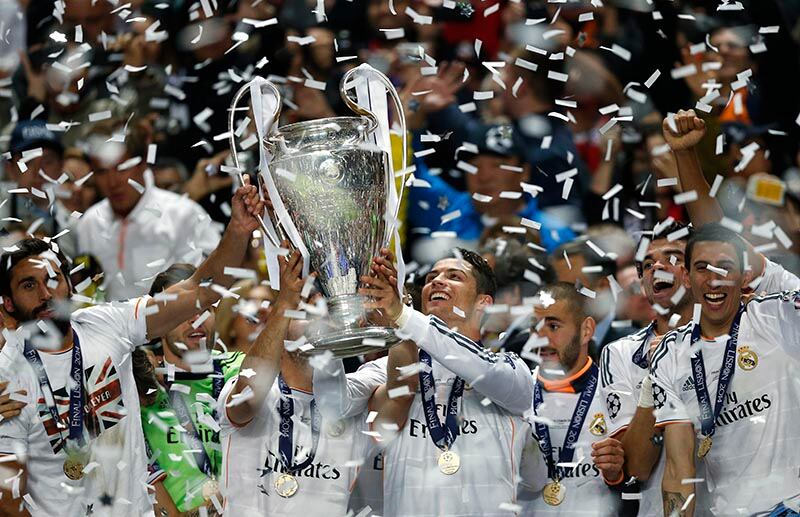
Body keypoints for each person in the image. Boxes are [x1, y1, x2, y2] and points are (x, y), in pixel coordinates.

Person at [0, 178, 263, 516]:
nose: (46, 294)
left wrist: (238, 230)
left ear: (69, 285)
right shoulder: (7, 378)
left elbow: (199, 290)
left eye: (54, 279)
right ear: (8, 302)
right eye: (28, 285)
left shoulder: (109, 323)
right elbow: (7, 498)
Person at [318, 247, 534, 516]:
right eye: (432, 277)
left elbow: (480, 368)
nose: (437, 281)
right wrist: (328, 336)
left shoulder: (512, 371)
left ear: (484, 302)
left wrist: (403, 315)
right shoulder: (385, 369)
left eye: (454, 276)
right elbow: (334, 404)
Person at [216, 245, 410, 515]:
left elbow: (403, 389)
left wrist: (400, 314)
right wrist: (285, 303)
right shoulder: (249, 391)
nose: (316, 312)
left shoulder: (356, 403)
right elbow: (249, 389)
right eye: (304, 306)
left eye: (325, 307)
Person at [651, 223, 800, 515]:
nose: (714, 280)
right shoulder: (670, 356)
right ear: (686, 276)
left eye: (725, 268)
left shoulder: (777, 317)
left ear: (745, 276)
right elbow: (678, 469)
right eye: (702, 268)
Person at [137, 264, 245, 514]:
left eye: (204, 308)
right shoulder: (141, 390)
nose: (196, 320)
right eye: (181, 311)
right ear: (157, 323)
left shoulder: (241, 370)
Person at [71, 122, 221, 300]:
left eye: (122, 168)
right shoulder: (89, 223)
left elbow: (215, 280)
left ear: (142, 164)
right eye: (102, 171)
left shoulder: (184, 215)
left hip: (176, 316)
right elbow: (88, 294)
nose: (113, 182)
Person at [517, 282, 623, 515]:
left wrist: (617, 474)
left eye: (553, 326)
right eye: (535, 327)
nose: (540, 338)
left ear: (586, 330)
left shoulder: (615, 393)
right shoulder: (516, 394)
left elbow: (641, 481)